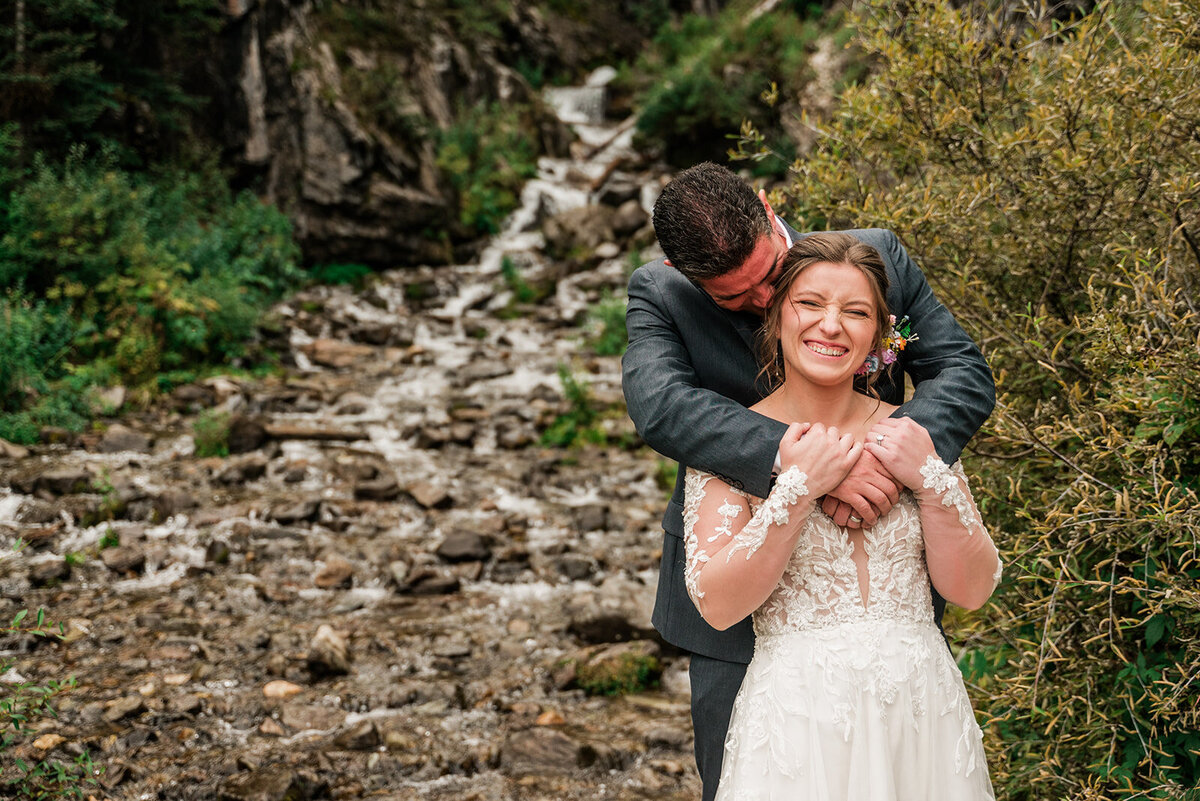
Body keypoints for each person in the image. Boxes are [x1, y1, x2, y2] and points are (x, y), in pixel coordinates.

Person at [621, 162, 996, 801]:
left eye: (771, 277)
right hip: (737, 618)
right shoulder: (661, 294)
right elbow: (661, 407)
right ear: (689, 278)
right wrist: (805, 466)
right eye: (735, 299)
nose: (766, 303)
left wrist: (877, 454)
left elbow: (961, 371)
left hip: (887, 610)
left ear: (770, 212)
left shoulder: (874, 258)